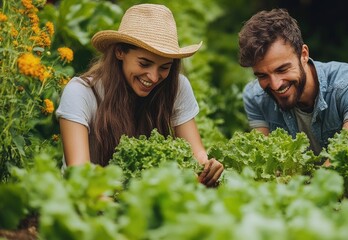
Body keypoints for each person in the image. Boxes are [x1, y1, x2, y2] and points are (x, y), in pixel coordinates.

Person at [56, 3, 224, 186]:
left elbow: (196, 154)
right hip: (90, 201)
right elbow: (80, 173)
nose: (153, 77)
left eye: (164, 67)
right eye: (144, 64)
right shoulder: (81, 92)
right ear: (120, 52)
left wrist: (208, 167)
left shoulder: (177, 87)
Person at [238, 8, 348, 160]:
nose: (275, 85)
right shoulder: (255, 97)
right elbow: (265, 161)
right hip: (327, 193)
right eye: (262, 75)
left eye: (282, 70)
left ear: (303, 54)